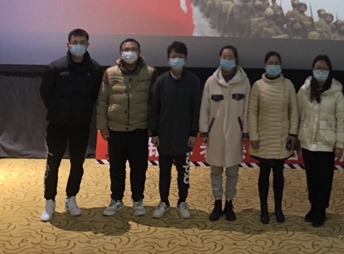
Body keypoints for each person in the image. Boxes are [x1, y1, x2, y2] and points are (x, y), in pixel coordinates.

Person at [39, 28, 103, 221]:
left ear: (87, 45)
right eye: (75, 42)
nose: (78, 46)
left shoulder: (94, 68)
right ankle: (50, 202)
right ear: (68, 44)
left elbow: (95, 95)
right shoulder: (56, 67)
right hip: (57, 125)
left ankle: (71, 198)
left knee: (77, 165)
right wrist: (59, 111)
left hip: (81, 125)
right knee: (53, 164)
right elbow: (45, 93)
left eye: (82, 43)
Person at [97, 38, 157, 217]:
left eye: (133, 49)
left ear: (139, 52)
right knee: (116, 168)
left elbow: (155, 102)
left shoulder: (150, 72)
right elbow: (103, 101)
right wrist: (102, 126)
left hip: (139, 128)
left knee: (139, 168)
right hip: (115, 129)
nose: (129, 53)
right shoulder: (110, 73)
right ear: (120, 53)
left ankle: (138, 200)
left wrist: (153, 126)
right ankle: (116, 199)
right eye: (126, 50)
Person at [149, 41, 202, 220]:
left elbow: (196, 108)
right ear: (168, 59)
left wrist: (193, 133)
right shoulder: (161, 81)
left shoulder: (193, 81)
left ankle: (182, 201)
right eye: (174, 57)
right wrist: (154, 132)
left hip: (184, 137)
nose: (177, 59)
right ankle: (164, 201)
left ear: (185, 58)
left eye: (180, 57)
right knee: (164, 172)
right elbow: (154, 108)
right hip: (164, 136)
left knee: (183, 172)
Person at [200, 45, 251, 221]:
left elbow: (247, 110)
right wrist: (204, 131)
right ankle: (217, 203)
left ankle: (229, 203)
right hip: (214, 133)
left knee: (232, 172)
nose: (227, 60)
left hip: (235, 133)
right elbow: (204, 108)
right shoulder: (211, 81)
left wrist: (245, 131)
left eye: (230, 57)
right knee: (215, 171)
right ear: (219, 58)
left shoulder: (244, 82)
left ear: (236, 60)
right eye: (224, 57)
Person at [248, 51, 299, 224]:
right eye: (270, 62)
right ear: (264, 66)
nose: (274, 65)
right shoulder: (257, 86)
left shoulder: (288, 85)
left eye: (277, 62)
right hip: (263, 137)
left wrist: (293, 134)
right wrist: (253, 134)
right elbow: (252, 112)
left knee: (279, 174)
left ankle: (278, 208)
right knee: (263, 174)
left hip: (281, 137)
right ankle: (263, 209)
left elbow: (294, 111)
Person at [297, 55, 344, 227]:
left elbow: (341, 120)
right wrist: (296, 137)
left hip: (327, 144)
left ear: (329, 71)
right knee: (311, 179)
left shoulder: (336, 93)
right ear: (312, 69)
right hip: (308, 141)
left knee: (324, 180)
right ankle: (313, 206)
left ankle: (321, 210)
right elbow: (298, 114)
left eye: (324, 68)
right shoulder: (304, 90)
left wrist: (340, 144)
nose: (320, 71)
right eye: (317, 68)